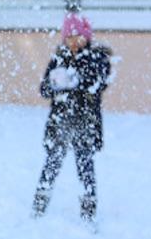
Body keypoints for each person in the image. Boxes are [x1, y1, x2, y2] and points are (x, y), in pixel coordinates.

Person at [33, 13, 112, 226]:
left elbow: (98, 82)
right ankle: (40, 202)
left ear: (87, 37)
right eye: (69, 37)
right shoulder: (59, 58)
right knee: (52, 162)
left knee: (85, 164)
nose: (73, 42)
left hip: (85, 123)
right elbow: (44, 89)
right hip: (60, 123)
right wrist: (55, 84)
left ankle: (89, 207)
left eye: (78, 37)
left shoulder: (97, 58)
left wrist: (74, 80)